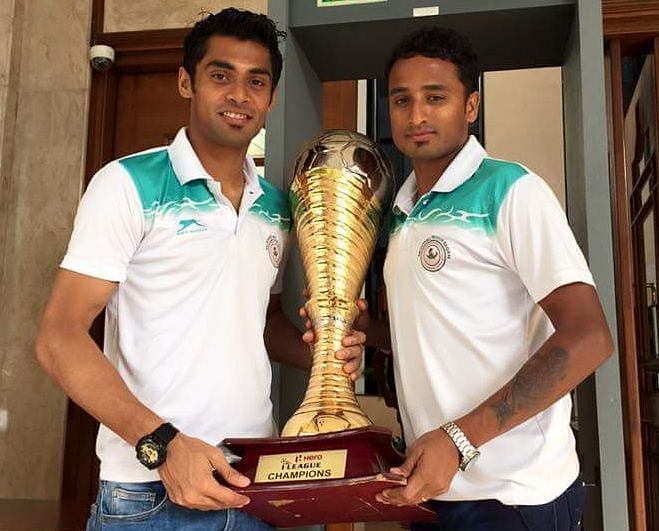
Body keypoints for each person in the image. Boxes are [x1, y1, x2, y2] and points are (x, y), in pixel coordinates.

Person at [35, 8, 365, 531]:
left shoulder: (276, 206)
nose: (239, 95)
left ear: (271, 97)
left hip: (253, 483)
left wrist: (319, 350)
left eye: (256, 81)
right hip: (148, 493)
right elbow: (58, 335)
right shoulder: (126, 184)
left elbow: (258, 323)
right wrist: (161, 444)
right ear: (186, 81)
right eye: (220, 75)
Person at [368, 27, 613, 530]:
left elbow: (589, 337)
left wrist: (459, 440)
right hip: (432, 486)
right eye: (401, 100)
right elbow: (443, 336)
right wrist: (358, 331)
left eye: (436, 98)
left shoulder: (511, 190)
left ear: (471, 105)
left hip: (515, 496)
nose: (416, 116)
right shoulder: (401, 209)